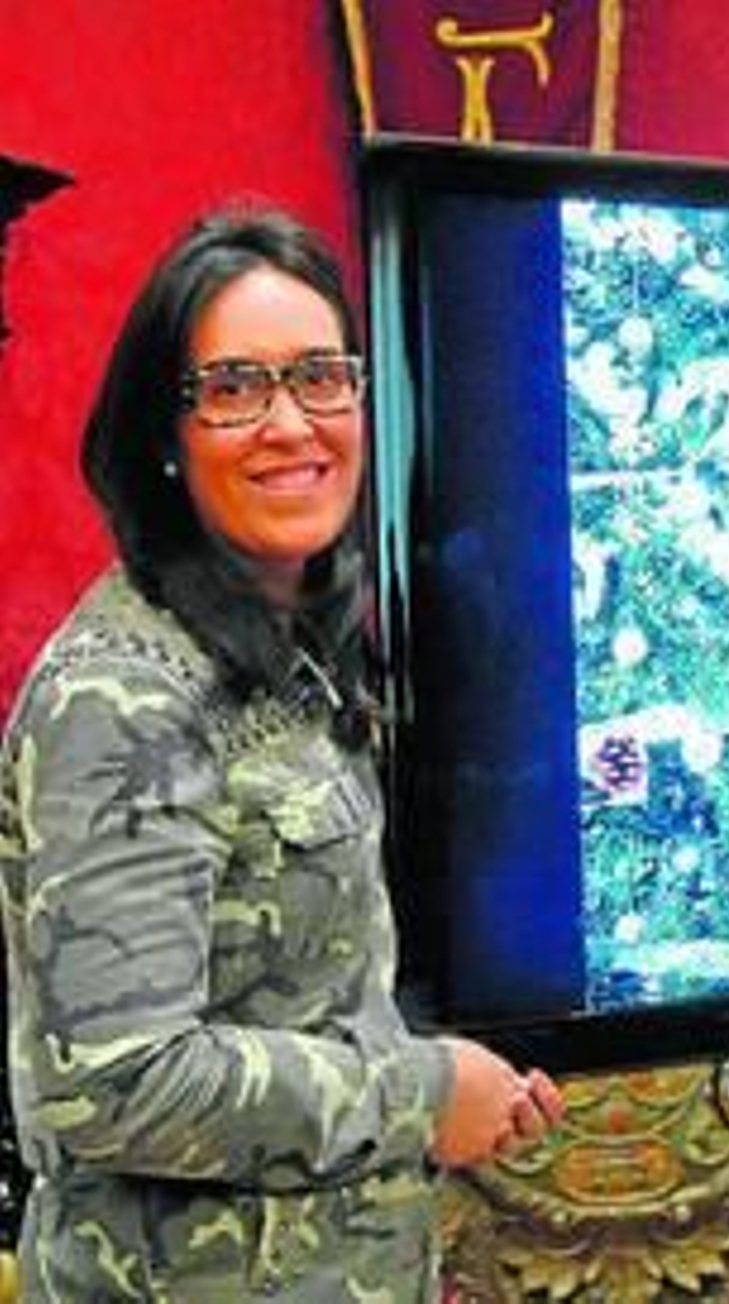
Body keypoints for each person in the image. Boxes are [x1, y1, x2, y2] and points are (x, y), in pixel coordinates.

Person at [0, 207, 564, 1299]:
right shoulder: (120, 702)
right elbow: (114, 1082)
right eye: (234, 389)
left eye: (319, 377)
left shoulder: (284, 646)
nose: (291, 424)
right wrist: (420, 1092)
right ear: (164, 436)